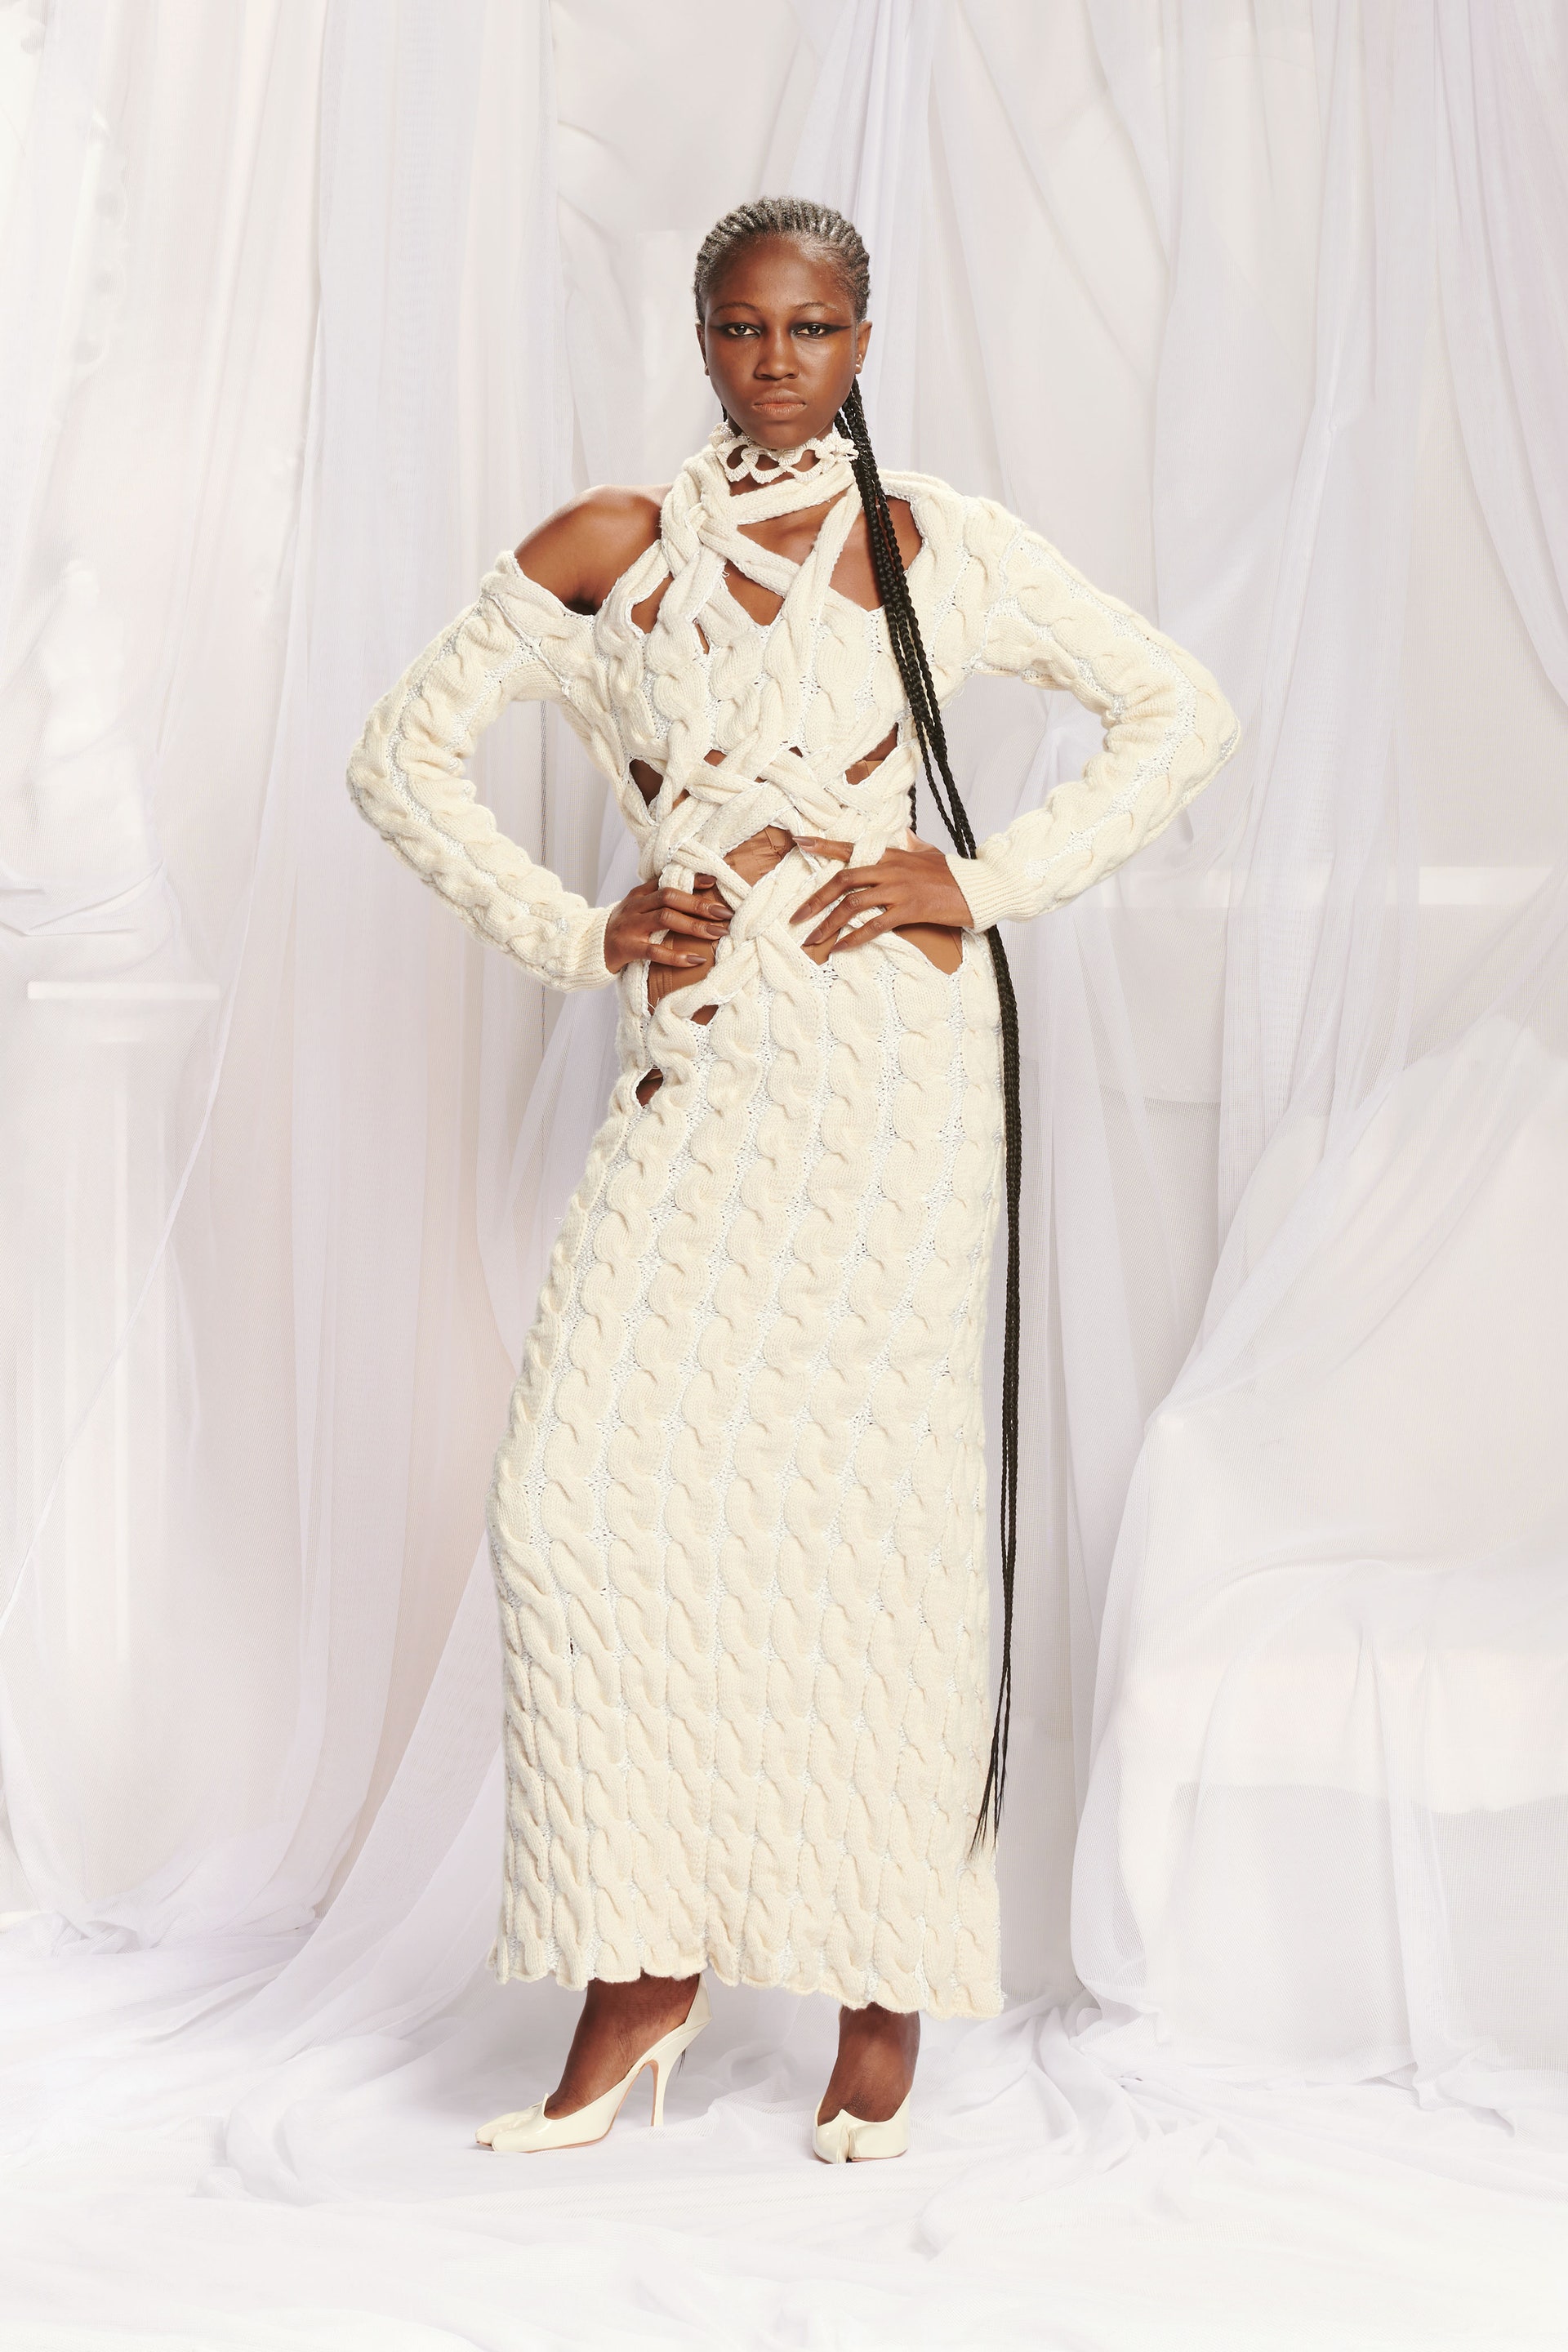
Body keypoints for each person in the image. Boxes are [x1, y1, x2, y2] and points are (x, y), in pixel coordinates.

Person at [346, 197, 1238, 2164]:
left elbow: (1180, 708)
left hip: (895, 1079)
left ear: (861, 339)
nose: (776, 362)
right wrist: (579, 929)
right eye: (744, 328)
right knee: (571, 1504)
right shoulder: (614, 546)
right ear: (700, 336)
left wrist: (982, 883)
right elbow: (400, 756)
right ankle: (639, 1967)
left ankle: (879, 1985)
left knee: (873, 1523)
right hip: (705, 1070)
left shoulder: (932, 542)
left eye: (813, 328)